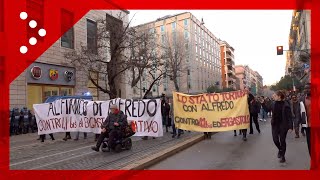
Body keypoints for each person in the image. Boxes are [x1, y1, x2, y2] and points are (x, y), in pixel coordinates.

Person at [271, 90, 293, 163]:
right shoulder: (273, 104)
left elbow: (289, 116)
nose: (274, 96)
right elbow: (267, 109)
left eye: (275, 95)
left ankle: (283, 156)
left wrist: (290, 126)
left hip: (283, 125)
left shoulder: (286, 105)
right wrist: (263, 104)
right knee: (275, 140)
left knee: (282, 141)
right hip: (275, 125)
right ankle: (280, 149)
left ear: (279, 96)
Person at [300, 83, 311, 156]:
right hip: (308, 126)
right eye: (305, 88)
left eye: (308, 88)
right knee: (310, 145)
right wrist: (302, 127)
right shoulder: (302, 100)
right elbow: (300, 113)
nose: (306, 90)